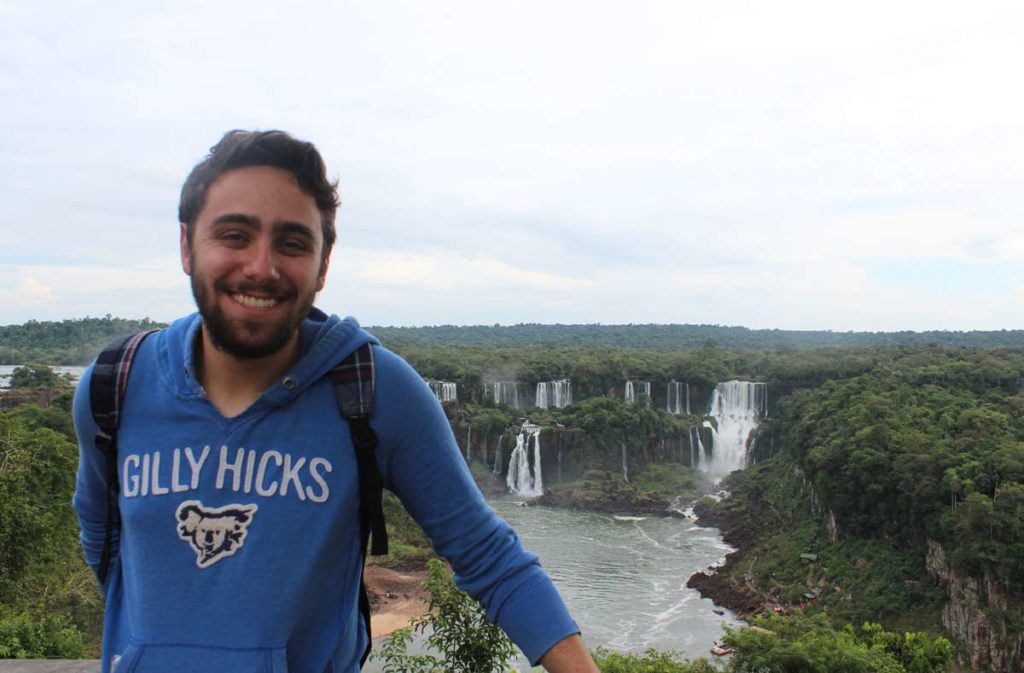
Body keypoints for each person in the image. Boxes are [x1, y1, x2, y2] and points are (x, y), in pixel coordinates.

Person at [73, 130, 600, 673]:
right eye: (234, 235)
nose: (262, 267)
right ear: (187, 246)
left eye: (293, 243)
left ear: (323, 265)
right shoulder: (114, 387)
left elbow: (490, 559)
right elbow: (103, 541)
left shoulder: (376, 390)